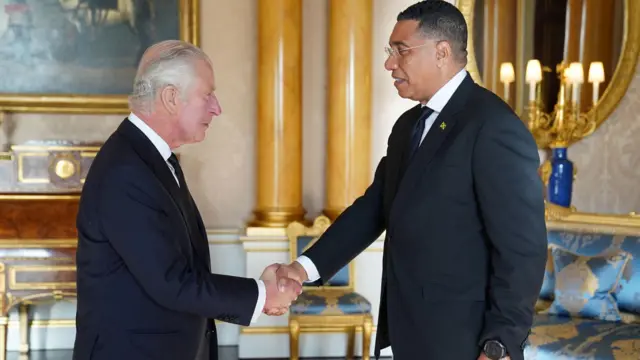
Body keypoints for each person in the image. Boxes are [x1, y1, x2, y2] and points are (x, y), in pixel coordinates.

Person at [273, 2, 547, 360]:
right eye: (391, 52)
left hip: (467, 341)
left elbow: (522, 250)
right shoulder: (407, 127)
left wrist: (500, 344)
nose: (389, 63)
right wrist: (302, 268)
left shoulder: (493, 126)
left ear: (441, 52)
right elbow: (374, 209)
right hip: (410, 332)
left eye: (400, 51)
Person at [73, 40, 301, 360]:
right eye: (207, 94)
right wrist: (262, 294)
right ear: (170, 97)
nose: (217, 108)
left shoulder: (150, 159)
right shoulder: (127, 170)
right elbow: (172, 282)